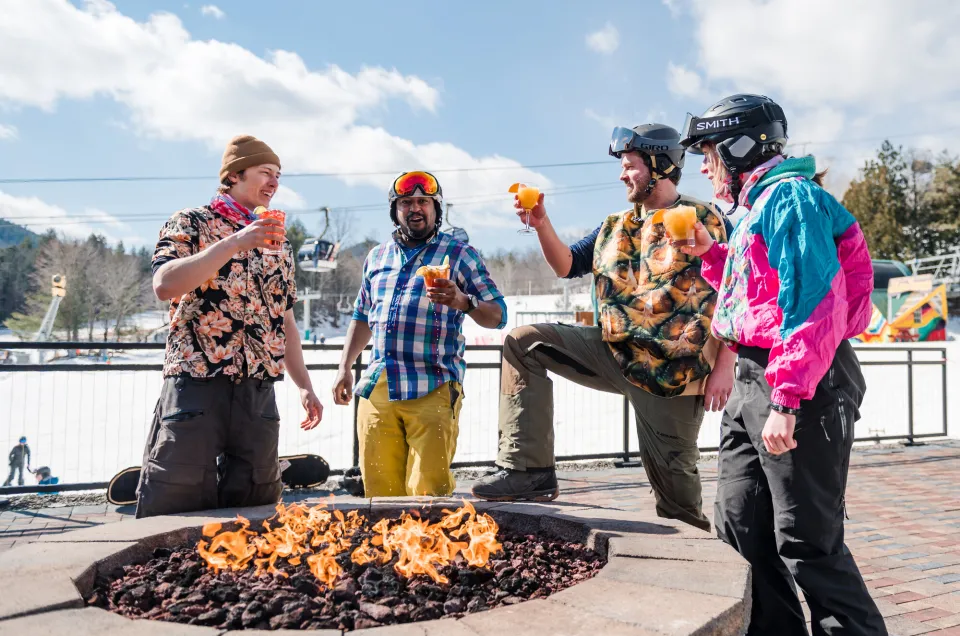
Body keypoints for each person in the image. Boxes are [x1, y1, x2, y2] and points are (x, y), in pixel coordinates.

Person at [678, 93, 887, 636]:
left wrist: (786, 400)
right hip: (754, 376)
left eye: (708, 151)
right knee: (743, 529)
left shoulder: (790, 197)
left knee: (807, 544)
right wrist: (710, 253)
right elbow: (761, 292)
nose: (702, 166)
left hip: (798, 381)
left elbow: (814, 304)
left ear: (738, 147)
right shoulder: (757, 206)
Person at [471, 124, 735, 532]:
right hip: (612, 351)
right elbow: (565, 265)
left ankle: (705, 577)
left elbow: (739, 290)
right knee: (525, 342)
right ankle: (528, 469)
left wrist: (726, 364)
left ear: (659, 166)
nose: (622, 175)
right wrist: (541, 223)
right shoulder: (613, 224)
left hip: (675, 374)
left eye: (629, 166)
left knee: (679, 507)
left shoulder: (704, 218)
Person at [136, 134, 323, 519]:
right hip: (197, 384)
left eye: (278, 175)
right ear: (234, 176)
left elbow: (284, 317)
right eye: (265, 172)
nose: (274, 183)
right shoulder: (191, 221)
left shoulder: (279, 244)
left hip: (258, 390)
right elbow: (164, 284)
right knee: (177, 498)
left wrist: (305, 386)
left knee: (256, 504)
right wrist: (235, 242)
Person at [332, 171, 507, 497]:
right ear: (394, 210)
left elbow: (498, 316)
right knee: (379, 498)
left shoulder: (459, 255)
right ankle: (386, 550)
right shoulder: (377, 256)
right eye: (406, 202)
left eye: (423, 202)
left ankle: (427, 549)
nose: (415, 208)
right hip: (378, 387)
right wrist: (344, 367)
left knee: (428, 498)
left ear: (436, 209)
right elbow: (361, 316)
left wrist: (462, 301)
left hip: (434, 385)